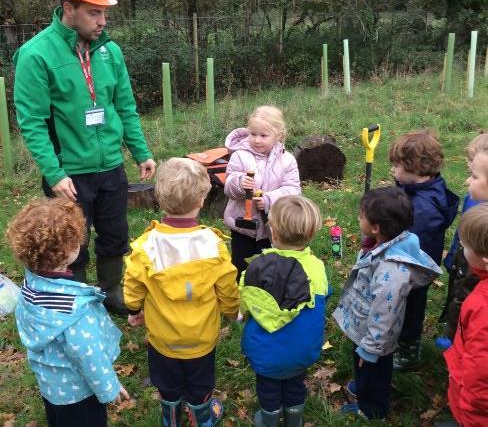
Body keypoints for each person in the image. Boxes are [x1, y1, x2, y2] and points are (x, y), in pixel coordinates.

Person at [13, 0, 156, 316]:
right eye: (94, 12)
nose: (102, 21)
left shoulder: (110, 52)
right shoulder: (36, 55)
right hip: (69, 174)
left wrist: (140, 151)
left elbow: (125, 106)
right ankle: (74, 299)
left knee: (115, 234)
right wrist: (54, 173)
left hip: (111, 166)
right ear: (68, 7)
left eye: (104, 12)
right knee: (70, 240)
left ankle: (111, 292)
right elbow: (32, 122)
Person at [123, 158, 240, 427]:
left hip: (162, 337)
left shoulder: (146, 246)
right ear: (201, 201)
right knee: (200, 384)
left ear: (160, 199)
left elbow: (133, 285)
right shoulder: (213, 244)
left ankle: (171, 418)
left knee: (167, 383)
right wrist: (233, 312)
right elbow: (227, 287)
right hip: (201, 337)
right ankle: (201, 418)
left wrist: (134, 310)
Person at [6, 198, 128, 427]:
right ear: (68, 251)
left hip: (51, 385)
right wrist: (110, 388)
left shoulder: (30, 286)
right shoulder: (74, 311)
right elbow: (88, 355)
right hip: (79, 393)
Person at [333, 187, 441, 420]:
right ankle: (364, 385)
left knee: (373, 368)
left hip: (375, 337)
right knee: (365, 366)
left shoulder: (390, 270)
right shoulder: (380, 243)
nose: (358, 218)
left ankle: (372, 410)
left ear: (376, 227)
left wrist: (370, 348)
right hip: (366, 327)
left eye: (361, 215)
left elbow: (384, 313)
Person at [239, 195, 329, 427]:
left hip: (263, 351)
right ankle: (294, 418)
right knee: (295, 384)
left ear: (274, 232)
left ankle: (269, 419)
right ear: (312, 233)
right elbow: (325, 296)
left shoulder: (256, 266)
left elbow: (244, 301)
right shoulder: (317, 268)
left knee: (267, 387)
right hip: (302, 351)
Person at [388, 130, 458, 370]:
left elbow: (411, 244)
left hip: (414, 270)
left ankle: (408, 351)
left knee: (410, 309)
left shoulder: (424, 209)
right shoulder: (418, 190)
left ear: (416, 169)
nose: (392, 170)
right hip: (410, 264)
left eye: (397, 166)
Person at [224, 105, 301, 280]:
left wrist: (268, 200)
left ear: (278, 135)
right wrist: (239, 183)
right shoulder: (239, 156)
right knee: (242, 267)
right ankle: (242, 291)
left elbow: (293, 190)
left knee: (270, 268)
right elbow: (228, 187)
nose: (257, 140)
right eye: (253, 134)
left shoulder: (287, 160)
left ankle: (268, 292)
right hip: (243, 227)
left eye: (263, 136)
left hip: (273, 227)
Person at [439, 132, 488, 342]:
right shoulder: (473, 198)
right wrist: (453, 257)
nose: (467, 180)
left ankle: (456, 337)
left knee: (465, 295)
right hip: (464, 259)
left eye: (474, 176)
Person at [444, 203, 488, 426]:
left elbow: (481, 369)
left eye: (465, 246)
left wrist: (469, 409)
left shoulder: (483, 309)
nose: (461, 247)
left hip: (474, 410)